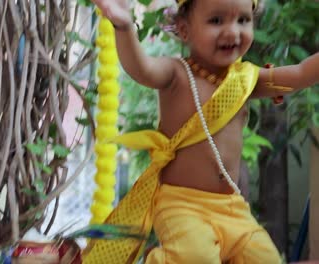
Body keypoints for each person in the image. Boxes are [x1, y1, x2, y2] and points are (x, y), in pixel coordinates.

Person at [82, 0, 319, 263]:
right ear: (184, 29)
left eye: (243, 20)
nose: (232, 31)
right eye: (216, 21)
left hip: (232, 207)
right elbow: (141, 69)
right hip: (182, 205)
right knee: (196, 257)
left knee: (265, 258)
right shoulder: (176, 73)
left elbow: (298, 74)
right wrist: (123, 25)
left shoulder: (245, 80)